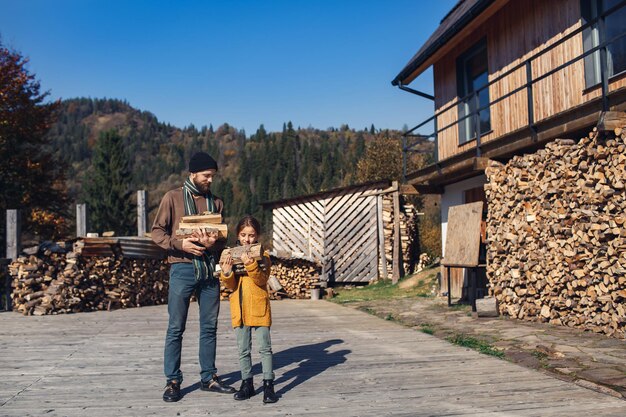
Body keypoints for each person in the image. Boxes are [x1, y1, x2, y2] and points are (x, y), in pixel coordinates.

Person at [152, 151, 235, 402]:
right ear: (193, 174)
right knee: (176, 327)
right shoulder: (173, 198)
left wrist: (213, 243)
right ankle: (172, 381)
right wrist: (181, 245)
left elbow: (221, 240)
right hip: (183, 268)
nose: (210, 180)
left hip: (209, 270)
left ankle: (208, 378)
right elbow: (157, 232)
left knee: (209, 327)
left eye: (213, 176)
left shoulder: (217, 203)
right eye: (206, 175)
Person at [219, 215, 278, 404]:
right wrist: (227, 272)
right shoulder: (229, 255)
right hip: (239, 307)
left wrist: (250, 264)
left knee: (265, 349)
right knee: (243, 349)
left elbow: (261, 280)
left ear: (257, 236)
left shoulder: (264, 256)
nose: (247, 239)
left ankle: (268, 385)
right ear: (238, 234)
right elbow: (229, 285)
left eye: (251, 235)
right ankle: (247, 384)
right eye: (243, 235)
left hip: (259, 306)